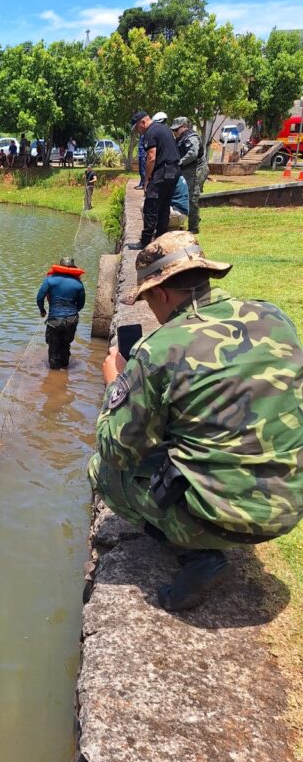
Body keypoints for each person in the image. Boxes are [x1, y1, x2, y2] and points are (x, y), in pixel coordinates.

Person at [88, 231, 303, 612]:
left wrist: (114, 385)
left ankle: (195, 554)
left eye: (148, 299)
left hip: (221, 521)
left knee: (101, 471)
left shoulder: (158, 349)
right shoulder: (274, 317)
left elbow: (114, 448)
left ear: (163, 293)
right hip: (288, 509)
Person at [130, 110, 180, 249]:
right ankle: (160, 239)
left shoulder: (150, 132)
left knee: (150, 206)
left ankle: (145, 241)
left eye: (137, 128)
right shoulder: (164, 129)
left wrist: (146, 179)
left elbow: (151, 157)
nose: (138, 132)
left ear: (143, 122)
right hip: (174, 171)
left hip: (162, 172)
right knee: (164, 206)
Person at [36, 256, 86, 370]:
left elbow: (39, 298)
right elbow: (81, 304)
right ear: (73, 267)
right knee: (65, 345)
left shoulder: (50, 280)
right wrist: (71, 313)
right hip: (72, 320)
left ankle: (54, 379)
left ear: (60, 266)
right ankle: (64, 376)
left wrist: (42, 311)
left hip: (54, 320)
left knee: (54, 348)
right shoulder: (78, 284)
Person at [170, 116, 207, 234]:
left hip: (196, 170)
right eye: (173, 130)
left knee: (192, 197)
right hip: (188, 170)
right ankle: (193, 219)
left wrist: (179, 162)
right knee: (186, 195)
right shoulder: (180, 138)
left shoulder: (191, 137)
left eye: (177, 129)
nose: (175, 132)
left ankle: (193, 227)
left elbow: (193, 153)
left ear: (184, 127)